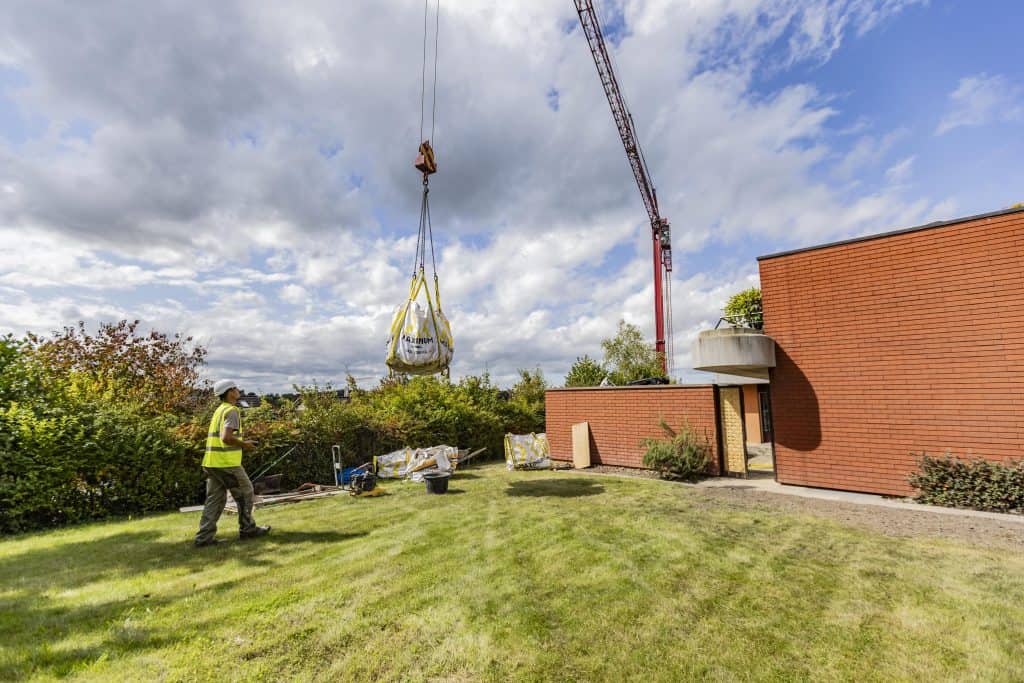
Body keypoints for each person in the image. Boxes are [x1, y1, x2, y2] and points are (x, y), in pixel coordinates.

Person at [194, 379, 271, 547]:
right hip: (226, 463)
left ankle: (204, 539)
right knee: (246, 492)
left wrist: (243, 441)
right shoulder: (232, 410)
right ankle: (248, 530)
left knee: (215, 499)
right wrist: (245, 445)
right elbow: (226, 438)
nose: (238, 390)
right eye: (235, 388)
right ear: (230, 392)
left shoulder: (220, 410)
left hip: (211, 462)